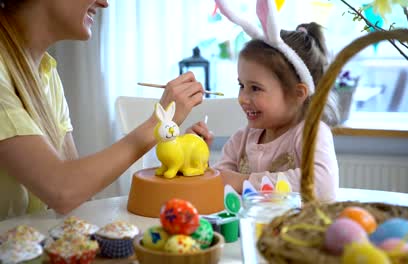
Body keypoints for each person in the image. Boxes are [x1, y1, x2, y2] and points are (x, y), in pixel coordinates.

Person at [0, 0, 205, 220]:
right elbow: (62, 190)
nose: (104, 3)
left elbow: (76, 192)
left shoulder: (46, 73)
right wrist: (159, 124)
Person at [188, 22, 339, 202]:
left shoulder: (311, 134)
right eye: (241, 86)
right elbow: (217, 187)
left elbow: (323, 185)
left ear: (297, 94)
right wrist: (196, 159)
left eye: (255, 88)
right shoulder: (240, 141)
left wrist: (245, 181)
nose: (242, 98)